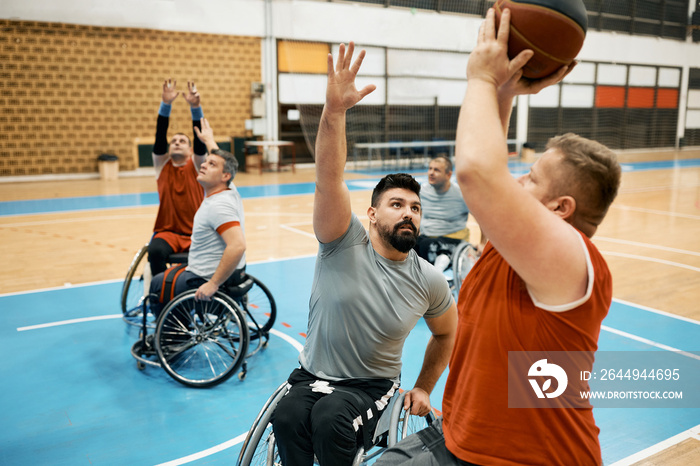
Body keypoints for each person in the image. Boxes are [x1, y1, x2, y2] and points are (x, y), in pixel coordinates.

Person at [376, 8, 621, 466]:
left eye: (530, 177)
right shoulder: (512, 250)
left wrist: (482, 78)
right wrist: (506, 90)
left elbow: (476, 171)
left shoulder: (573, 258)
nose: (516, 183)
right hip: (464, 441)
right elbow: (489, 182)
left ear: (560, 209)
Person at [270, 42, 458, 466]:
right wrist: (334, 113)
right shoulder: (342, 238)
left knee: (331, 419)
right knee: (287, 416)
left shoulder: (428, 279)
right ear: (371, 214)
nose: (409, 213)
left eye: (415, 208)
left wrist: (425, 387)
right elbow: (329, 176)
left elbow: (447, 333)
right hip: (310, 377)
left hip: (369, 388)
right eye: (397, 205)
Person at [148, 117, 246, 310]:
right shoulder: (229, 189)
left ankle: (172, 335)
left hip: (204, 276)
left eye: (210, 165)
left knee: (158, 284)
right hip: (216, 269)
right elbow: (224, 163)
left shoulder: (217, 206)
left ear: (224, 176)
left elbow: (238, 245)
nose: (203, 165)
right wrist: (209, 139)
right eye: (206, 162)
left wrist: (213, 284)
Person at [148, 79, 207, 277]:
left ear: (190, 150)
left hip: (196, 232)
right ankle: (161, 295)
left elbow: (200, 142)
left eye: (182, 141)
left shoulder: (198, 165)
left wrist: (195, 108)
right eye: (173, 141)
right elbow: (159, 136)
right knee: (154, 252)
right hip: (169, 233)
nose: (177, 143)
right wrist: (165, 105)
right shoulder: (162, 165)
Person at [414, 155, 471, 271]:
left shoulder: (461, 194)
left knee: (427, 245)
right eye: (430, 169)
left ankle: (437, 274)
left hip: (452, 239)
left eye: (436, 170)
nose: (431, 173)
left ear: (448, 175)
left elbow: (482, 217)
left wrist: (481, 243)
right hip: (427, 237)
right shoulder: (423, 191)